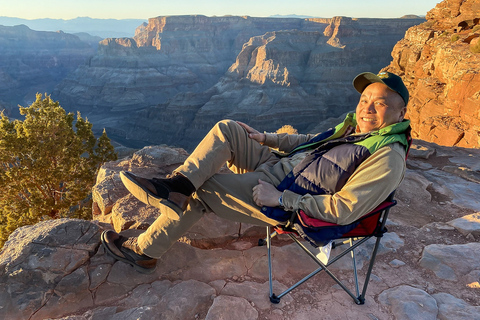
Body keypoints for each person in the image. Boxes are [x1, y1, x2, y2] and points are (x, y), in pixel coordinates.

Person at [101, 71, 411, 274]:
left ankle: (145, 250)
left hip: (286, 196)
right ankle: (177, 186)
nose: (367, 108)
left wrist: (281, 198)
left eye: (379, 104)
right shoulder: (355, 129)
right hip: (283, 167)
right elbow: (310, 143)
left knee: (204, 189)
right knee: (229, 130)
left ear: (401, 113)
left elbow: (344, 210)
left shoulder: (387, 156)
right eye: (364, 100)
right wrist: (268, 139)